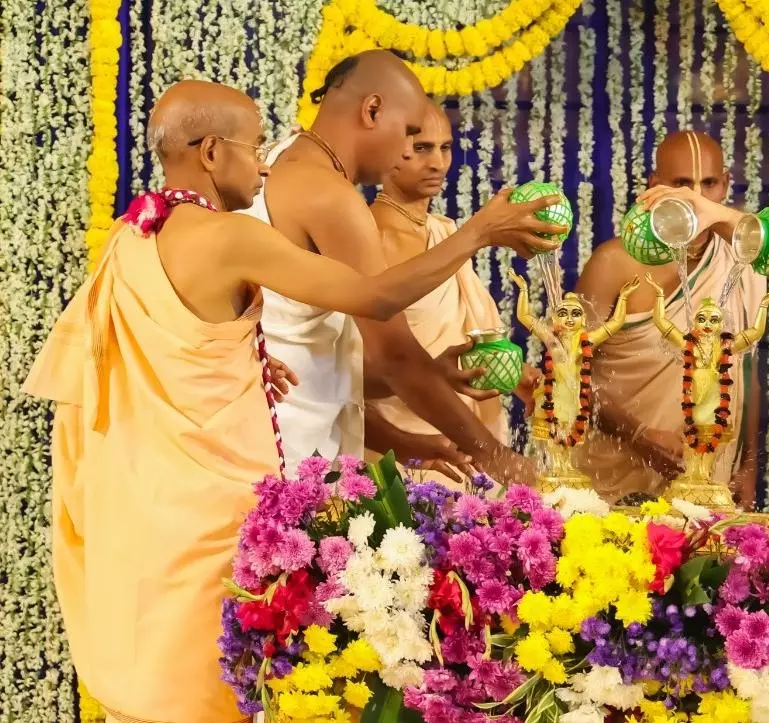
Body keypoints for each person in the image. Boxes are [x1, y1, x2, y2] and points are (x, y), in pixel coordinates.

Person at [22, 80, 537, 723]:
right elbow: (375, 298)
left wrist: (397, 436)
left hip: (151, 499)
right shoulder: (229, 237)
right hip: (214, 513)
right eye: (255, 145)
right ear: (211, 152)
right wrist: (478, 232)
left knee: (159, 679)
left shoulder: (133, 236)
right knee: (219, 683)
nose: (265, 162)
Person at [244, 49, 563, 480]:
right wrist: (496, 458)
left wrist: (419, 418)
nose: (406, 151)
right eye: (410, 134)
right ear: (372, 109)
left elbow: (315, 362)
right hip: (292, 454)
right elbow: (393, 353)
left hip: (273, 429)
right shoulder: (330, 196)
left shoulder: (280, 159)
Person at [574, 130, 767, 506]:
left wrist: (748, 467)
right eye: (681, 184)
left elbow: (747, 371)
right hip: (613, 482)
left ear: (725, 185)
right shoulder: (613, 263)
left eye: (708, 184)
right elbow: (567, 372)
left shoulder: (740, 262)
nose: (695, 198)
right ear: (654, 186)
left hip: (709, 477)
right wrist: (639, 436)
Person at [366, 101, 539, 485]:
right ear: (387, 148)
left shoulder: (442, 231)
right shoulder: (370, 237)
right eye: (422, 148)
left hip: (470, 445)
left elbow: (454, 338)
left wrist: (508, 374)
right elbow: (374, 363)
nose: (438, 163)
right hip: (406, 452)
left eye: (445, 147)